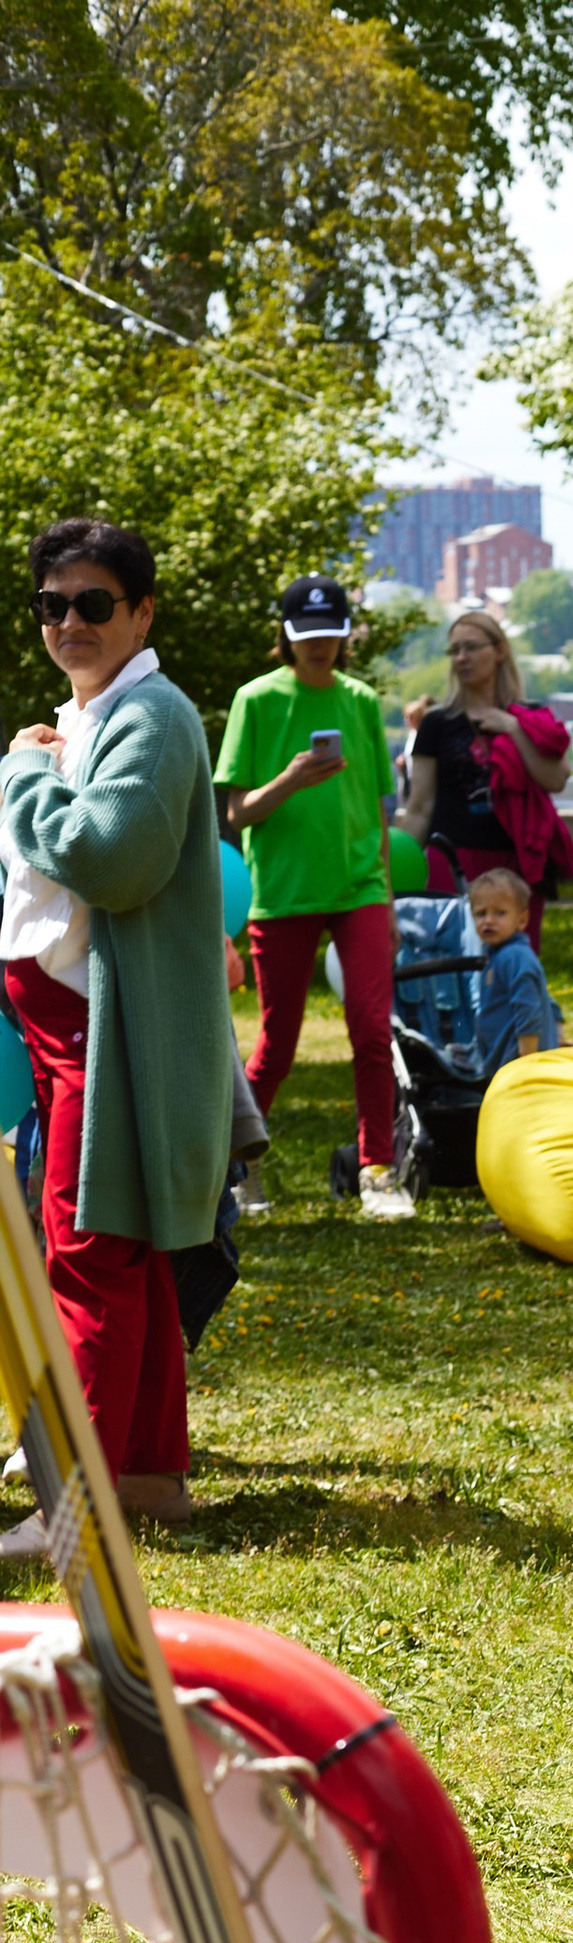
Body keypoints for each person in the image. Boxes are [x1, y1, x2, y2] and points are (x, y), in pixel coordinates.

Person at [0, 516, 229, 1542]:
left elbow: (112, 857)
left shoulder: (154, 716)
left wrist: (19, 776)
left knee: (89, 1253)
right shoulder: (95, 715)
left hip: (110, 1025)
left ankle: (77, 1509)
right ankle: (144, 1480)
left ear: (142, 612)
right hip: (73, 1023)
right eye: (54, 604)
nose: (71, 622)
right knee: (121, 1249)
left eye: (96, 603)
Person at [215, 575, 409, 1221]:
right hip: (286, 891)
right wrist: (294, 777)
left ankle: (379, 1169)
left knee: (373, 1033)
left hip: (360, 890)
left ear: (346, 635)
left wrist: (385, 898)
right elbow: (237, 813)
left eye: (330, 635)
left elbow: (378, 812)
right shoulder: (256, 700)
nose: (319, 647)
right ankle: (235, 1167)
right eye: (307, 636)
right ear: (287, 637)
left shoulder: (359, 700)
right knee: (278, 1042)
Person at [401, 611, 572, 934]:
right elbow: (420, 807)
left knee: (515, 961)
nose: (461, 658)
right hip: (452, 859)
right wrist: (397, 874)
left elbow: (556, 779)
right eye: (455, 651)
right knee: (453, 963)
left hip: (516, 861)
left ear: (499, 651)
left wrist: (513, 728)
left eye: (471, 648)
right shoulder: (437, 723)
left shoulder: (531, 717)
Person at [460, 870, 562, 1071]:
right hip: (502, 1062)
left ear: (522, 920)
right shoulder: (497, 955)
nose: (488, 920)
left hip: (521, 1064)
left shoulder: (515, 957)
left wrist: (527, 1060)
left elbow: (528, 1010)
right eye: (481, 913)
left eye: (500, 913)